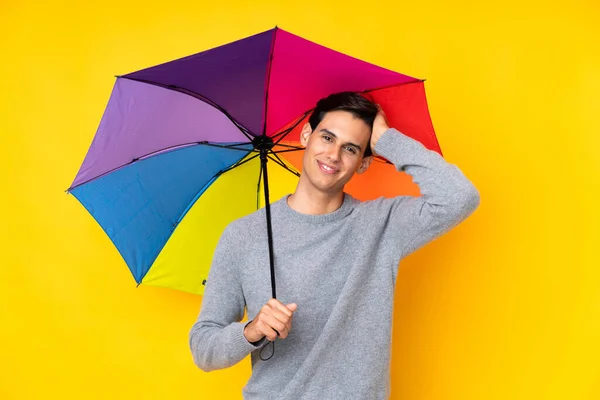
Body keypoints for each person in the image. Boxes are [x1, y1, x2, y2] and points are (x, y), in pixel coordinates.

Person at [189, 92, 480, 399]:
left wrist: (386, 139)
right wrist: (252, 330)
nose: (333, 155)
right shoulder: (243, 236)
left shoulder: (380, 225)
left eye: (351, 148)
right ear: (306, 135)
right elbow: (203, 348)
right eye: (327, 137)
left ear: (363, 163)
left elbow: (459, 196)